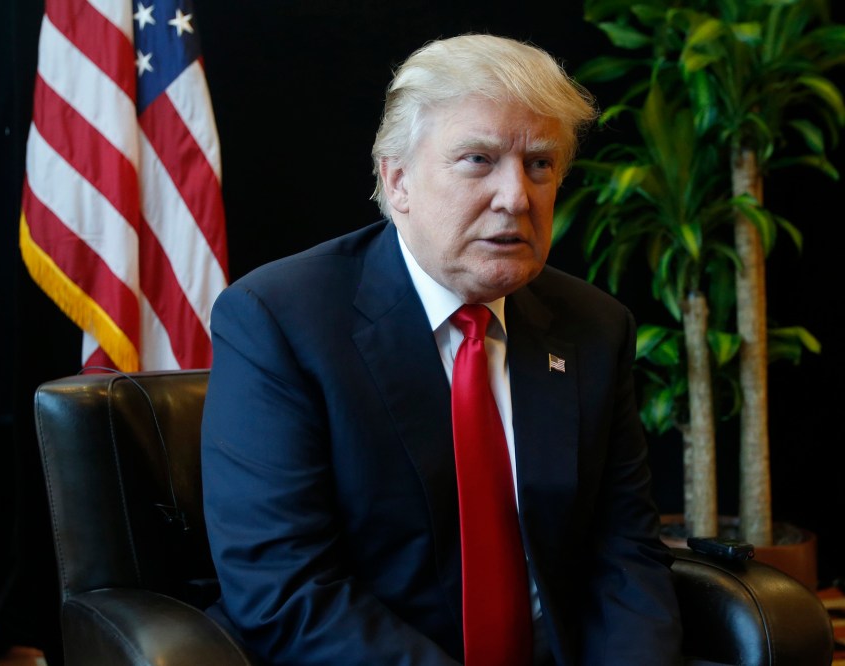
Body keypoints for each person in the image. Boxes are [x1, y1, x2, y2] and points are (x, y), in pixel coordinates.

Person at [200, 33, 683, 665]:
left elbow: (624, 555)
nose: (517, 196)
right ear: (397, 181)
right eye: (479, 160)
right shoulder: (279, 321)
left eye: (540, 164)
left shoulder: (595, 327)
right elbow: (286, 588)